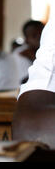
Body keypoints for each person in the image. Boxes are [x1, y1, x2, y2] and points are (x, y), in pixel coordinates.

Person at [12, 16, 55, 148]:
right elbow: (31, 129)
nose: (37, 38)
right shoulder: (19, 55)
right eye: (33, 35)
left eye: (39, 34)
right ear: (26, 39)